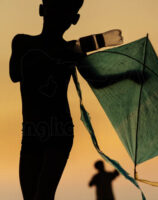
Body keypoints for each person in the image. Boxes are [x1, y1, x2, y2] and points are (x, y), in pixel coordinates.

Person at [9, 0, 128, 199]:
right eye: (55, 8)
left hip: (58, 131)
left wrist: (130, 75)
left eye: (64, 12)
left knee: (43, 195)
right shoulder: (24, 42)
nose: (58, 16)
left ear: (74, 19)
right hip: (32, 131)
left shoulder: (70, 51)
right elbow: (15, 74)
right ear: (42, 10)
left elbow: (98, 81)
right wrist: (60, 54)